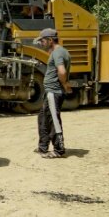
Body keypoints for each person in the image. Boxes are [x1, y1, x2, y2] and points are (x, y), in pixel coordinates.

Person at [34, 28, 72, 158]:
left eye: (43, 41)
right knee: (43, 119)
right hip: (50, 92)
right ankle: (43, 147)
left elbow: (62, 71)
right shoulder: (60, 52)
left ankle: (58, 150)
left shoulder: (57, 53)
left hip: (53, 92)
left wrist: (65, 83)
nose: (41, 43)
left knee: (53, 121)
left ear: (50, 40)